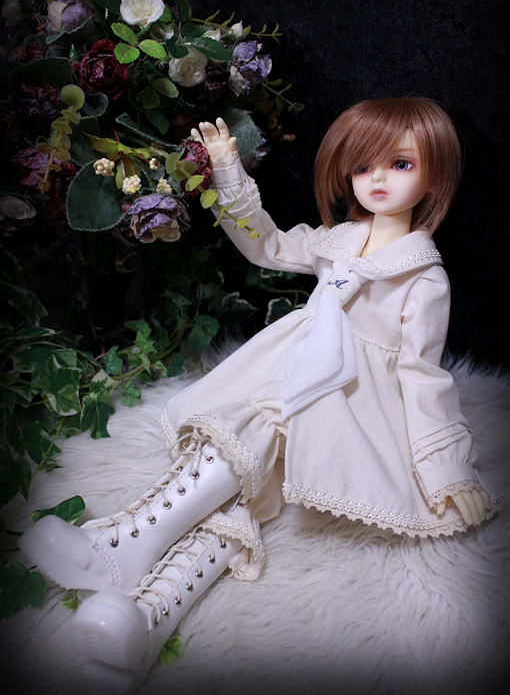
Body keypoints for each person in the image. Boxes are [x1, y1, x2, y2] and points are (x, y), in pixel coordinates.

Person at [19, 96, 502, 693]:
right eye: (362, 166)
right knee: (247, 471)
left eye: (400, 164)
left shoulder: (423, 277)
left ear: (434, 174)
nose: (378, 179)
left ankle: (131, 563)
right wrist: (228, 170)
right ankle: (143, 611)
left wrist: (445, 467)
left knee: (257, 442)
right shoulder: (337, 240)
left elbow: (423, 374)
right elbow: (266, 245)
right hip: (290, 372)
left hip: (352, 402)